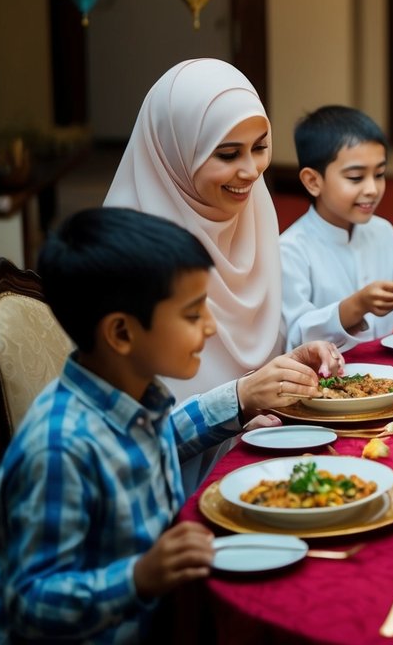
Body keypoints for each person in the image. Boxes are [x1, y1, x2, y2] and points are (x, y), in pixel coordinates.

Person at [0, 208, 328, 643]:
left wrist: (241, 399)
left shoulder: (130, 397)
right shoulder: (59, 447)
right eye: (192, 314)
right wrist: (138, 577)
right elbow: (29, 601)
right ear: (122, 333)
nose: (209, 327)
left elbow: (160, 438)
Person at [104, 58, 342, 398]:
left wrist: (289, 366)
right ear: (176, 152)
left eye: (260, 148)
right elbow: (134, 424)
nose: (250, 172)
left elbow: (251, 376)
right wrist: (236, 410)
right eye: (228, 154)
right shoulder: (126, 253)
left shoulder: (253, 214)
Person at [280, 105, 393, 351]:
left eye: (379, 174)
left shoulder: (382, 232)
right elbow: (295, 335)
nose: (372, 189)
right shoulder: (291, 250)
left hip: (388, 371)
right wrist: (356, 306)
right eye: (355, 177)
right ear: (313, 181)